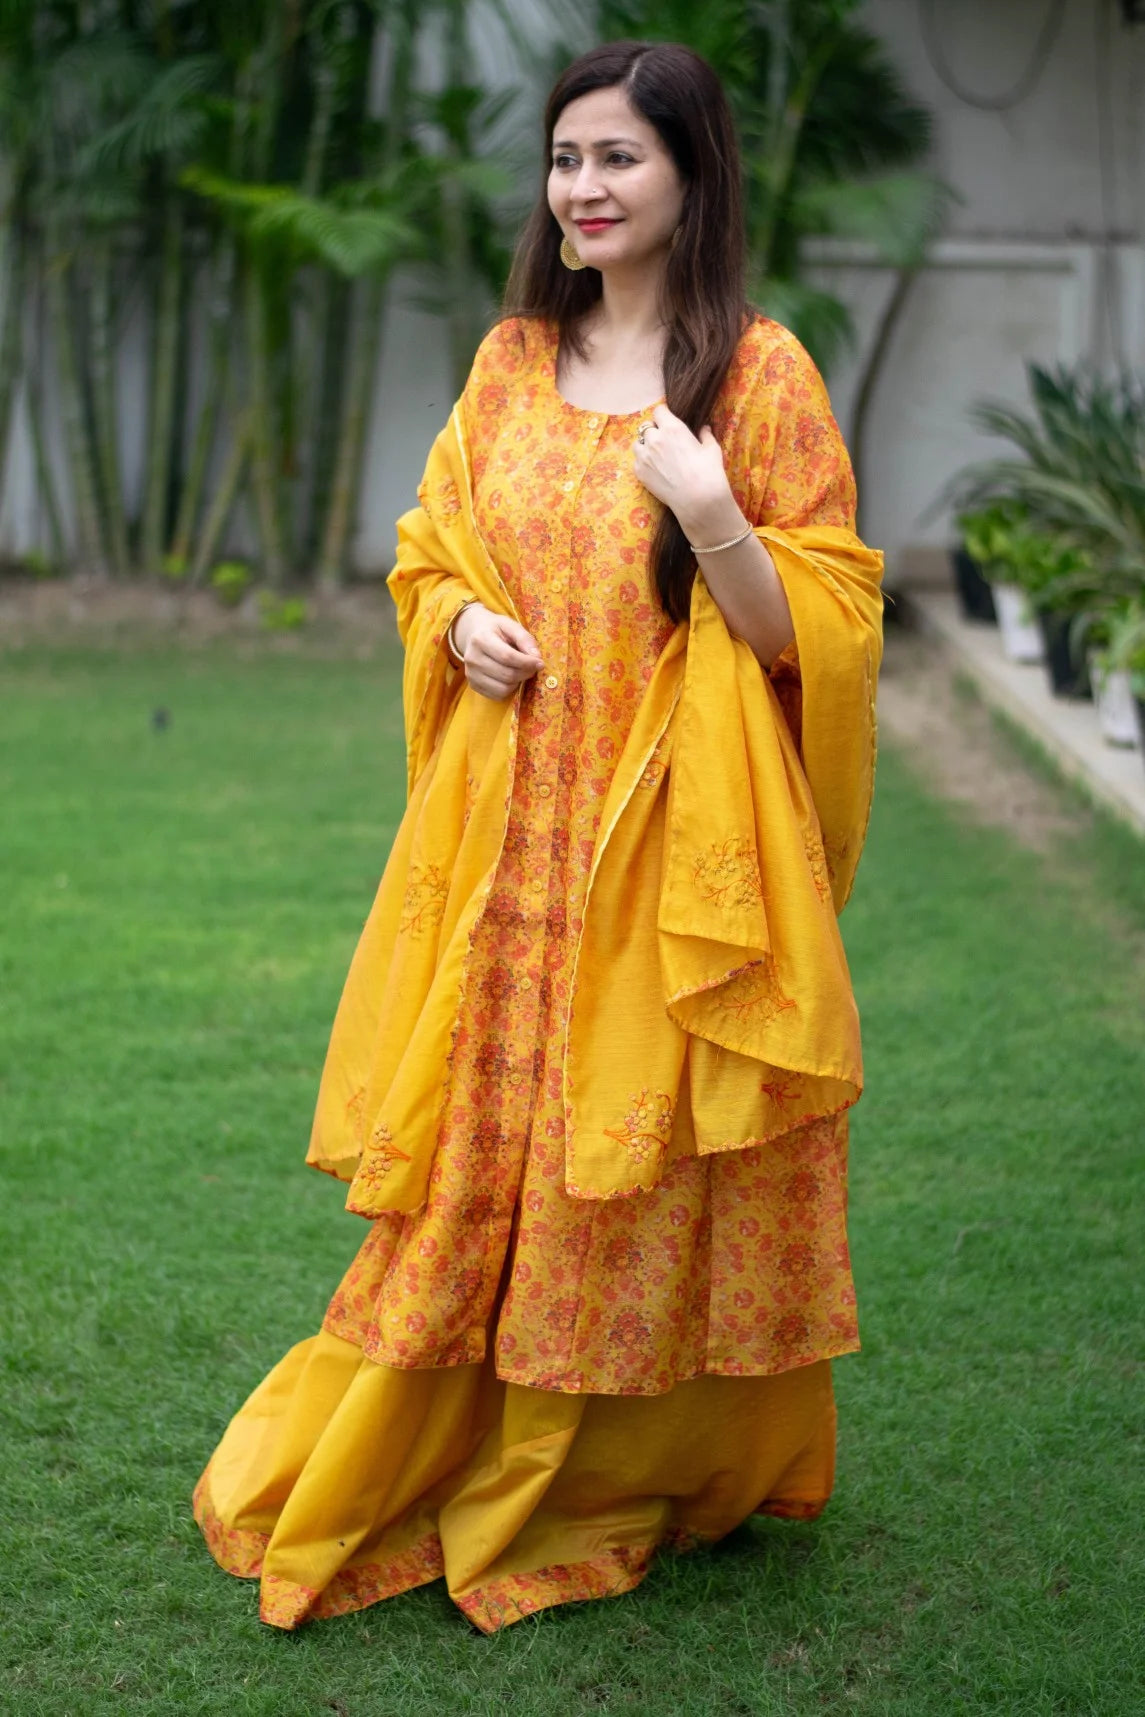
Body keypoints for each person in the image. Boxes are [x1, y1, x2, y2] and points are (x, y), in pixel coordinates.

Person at [193, 38, 883, 1635]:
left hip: (659, 852)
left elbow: (816, 632)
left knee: (623, 1165)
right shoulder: (510, 359)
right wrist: (458, 629)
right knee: (479, 1162)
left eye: (616, 159)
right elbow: (432, 551)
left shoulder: (757, 375)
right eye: (565, 158)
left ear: (691, 175)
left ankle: (597, 1468)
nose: (581, 188)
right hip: (511, 845)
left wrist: (710, 511)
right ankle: (432, 1437)